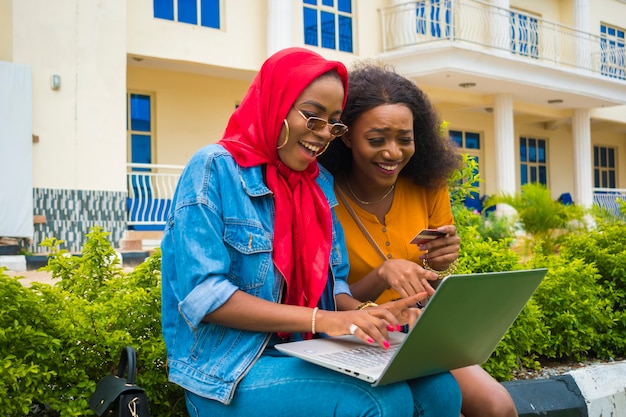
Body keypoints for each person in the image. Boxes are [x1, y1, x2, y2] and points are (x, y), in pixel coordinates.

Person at [160, 47, 462, 417]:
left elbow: (335, 292)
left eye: (333, 123)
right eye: (312, 117)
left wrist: (379, 315)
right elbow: (204, 296)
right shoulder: (214, 169)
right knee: (380, 401)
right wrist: (323, 319)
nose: (322, 134)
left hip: (308, 350)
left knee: (440, 389)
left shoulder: (318, 184)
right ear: (277, 103)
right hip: (230, 370)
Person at [318, 62, 519, 417]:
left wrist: (438, 261)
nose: (393, 152)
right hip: (353, 334)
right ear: (347, 136)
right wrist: (382, 273)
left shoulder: (427, 183)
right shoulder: (322, 192)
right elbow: (327, 299)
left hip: (417, 331)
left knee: (497, 405)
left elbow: (430, 272)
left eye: (404, 139)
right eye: (377, 140)